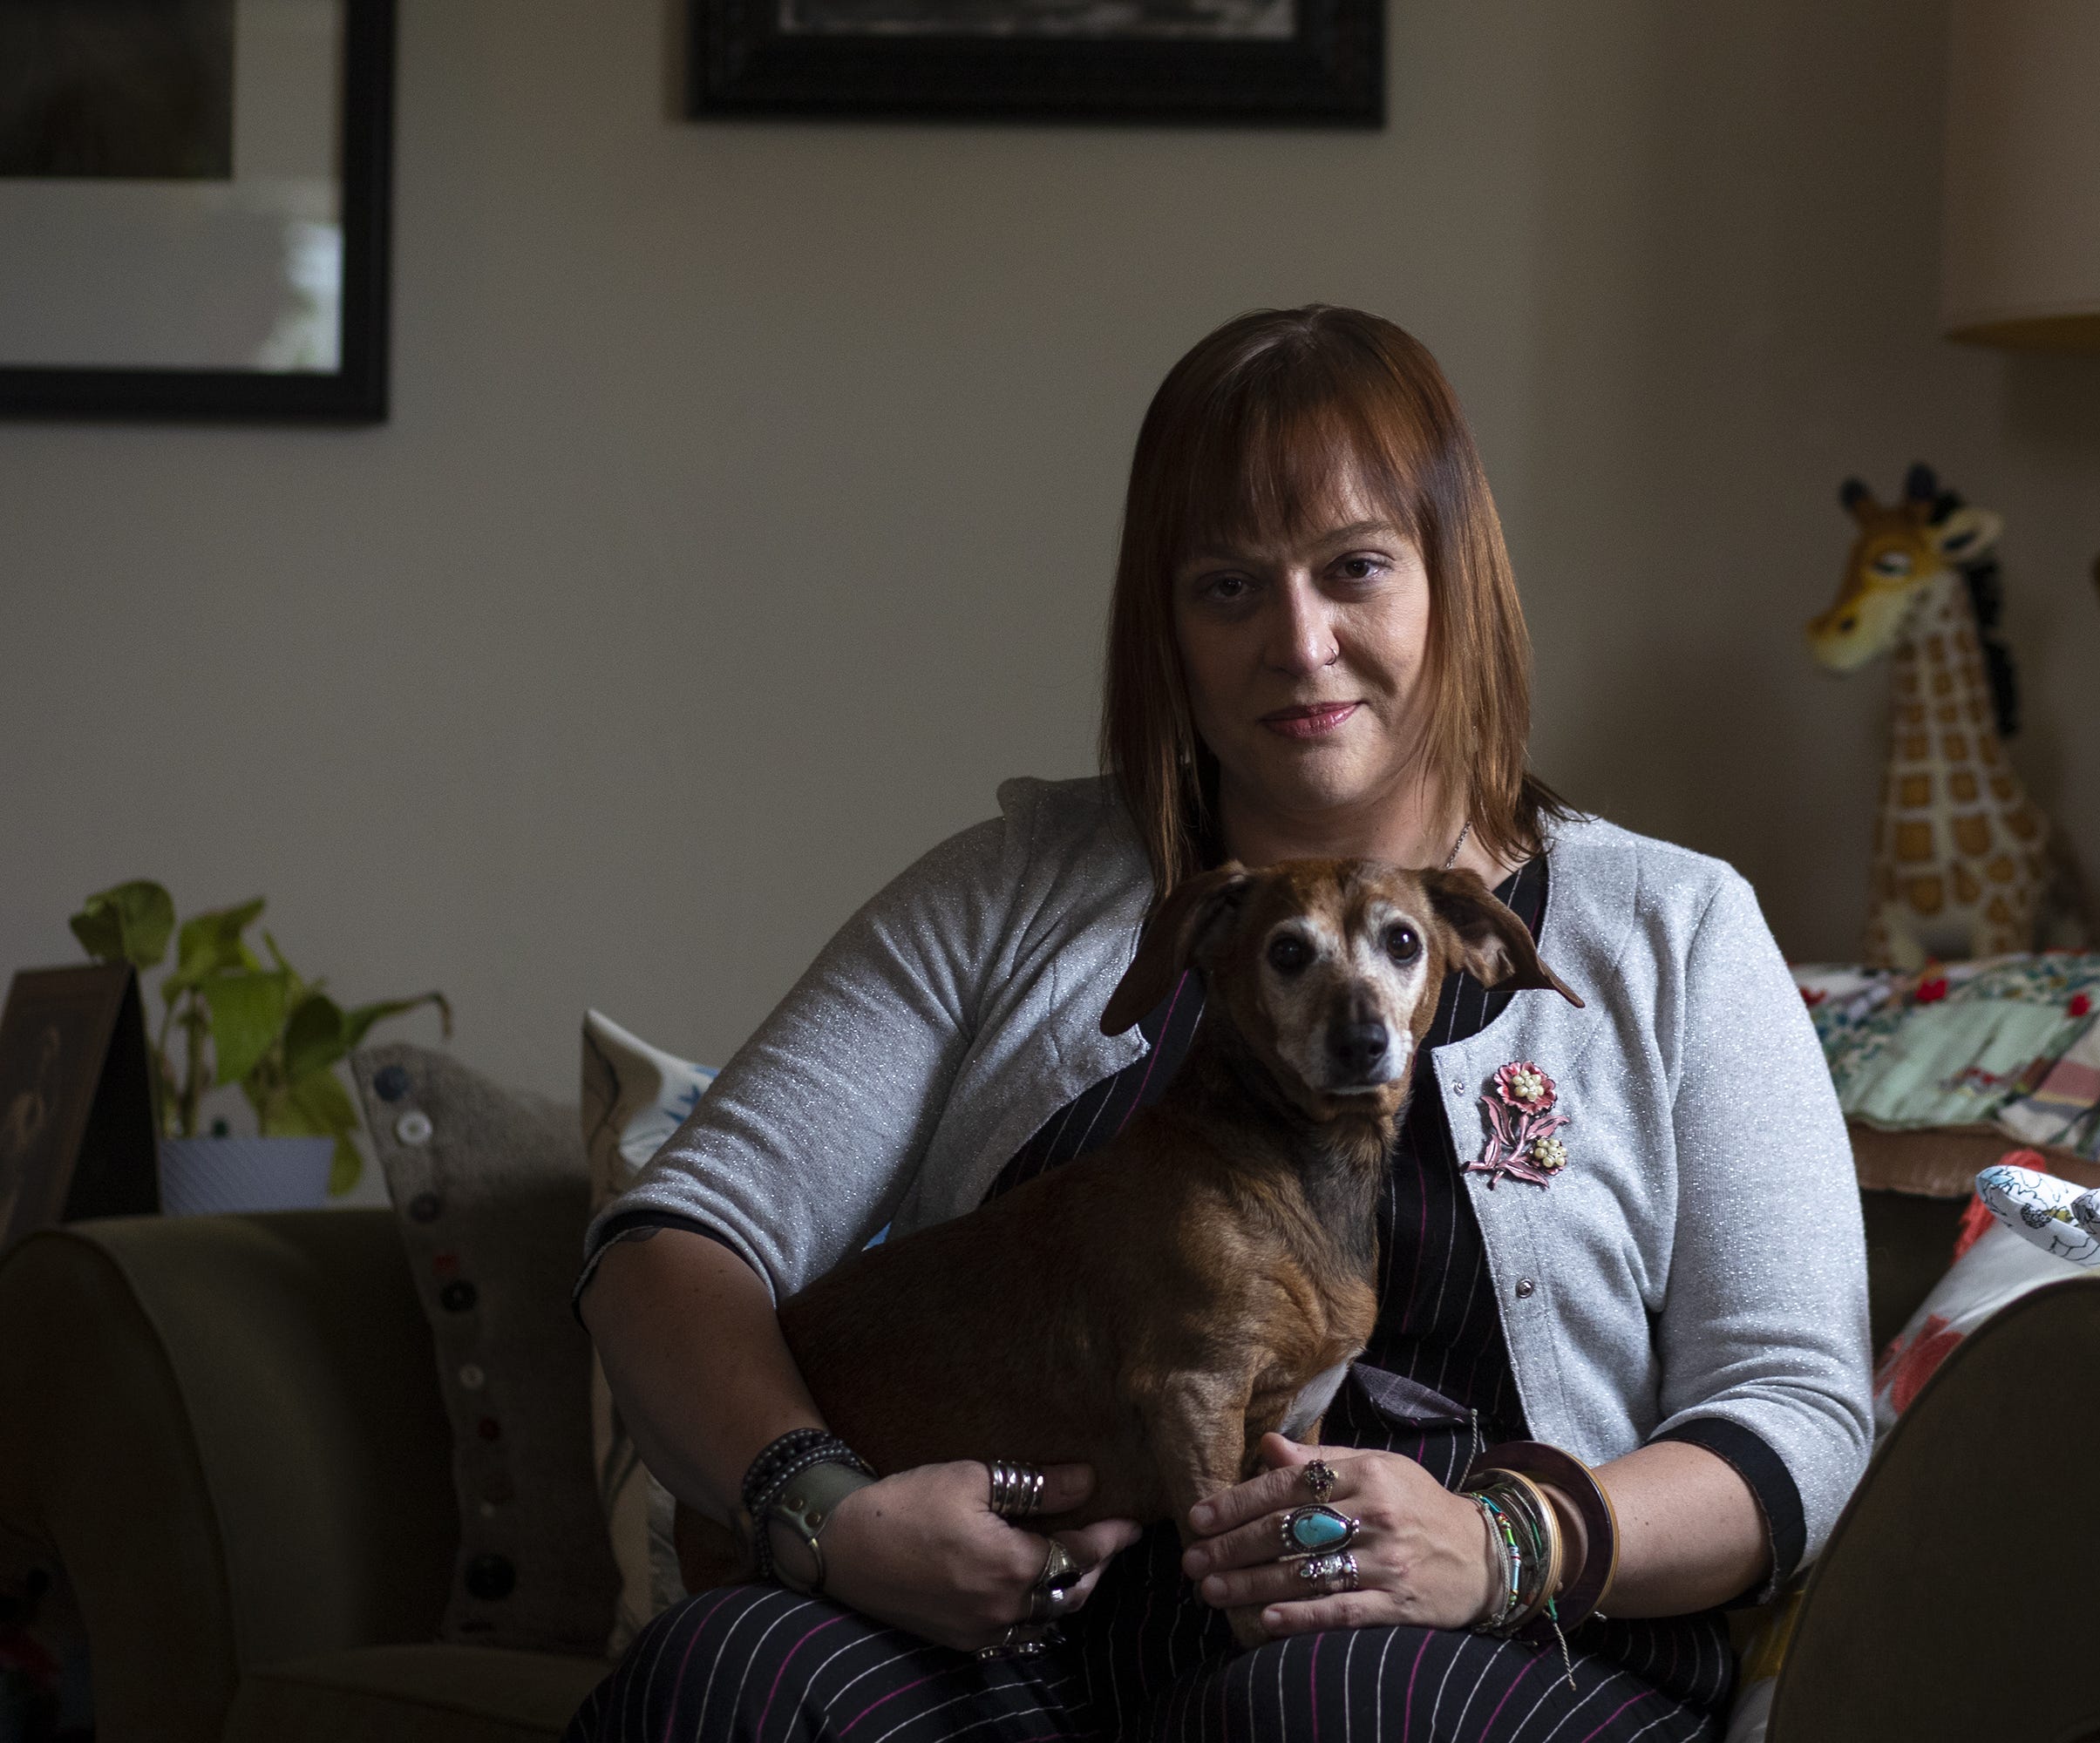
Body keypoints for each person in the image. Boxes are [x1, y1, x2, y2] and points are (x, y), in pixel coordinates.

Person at [567, 305, 1869, 1743]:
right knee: (729, 1680)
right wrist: (819, 1508)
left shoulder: (1670, 930)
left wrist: (1507, 1546)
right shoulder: (1013, 895)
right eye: (1230, 587)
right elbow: (671, 1242)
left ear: (1453, 580)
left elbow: (1797, 1413)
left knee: (1318, 1712)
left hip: (1481, 1667)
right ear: (1166, 628)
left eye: (1356, 569)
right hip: (1025, 1660)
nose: (1300, 645)